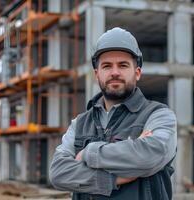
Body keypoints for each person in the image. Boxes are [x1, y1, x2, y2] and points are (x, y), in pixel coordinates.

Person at [49, 27, 177, 200]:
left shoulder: (159, 115)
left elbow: (152, 155)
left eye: (123, 65)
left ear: (137, 72)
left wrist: (88, 153)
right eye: (107, 66)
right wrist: (114, 179)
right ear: (97, 74)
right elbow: (58, 173)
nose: (115, 72)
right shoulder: (80, 123)